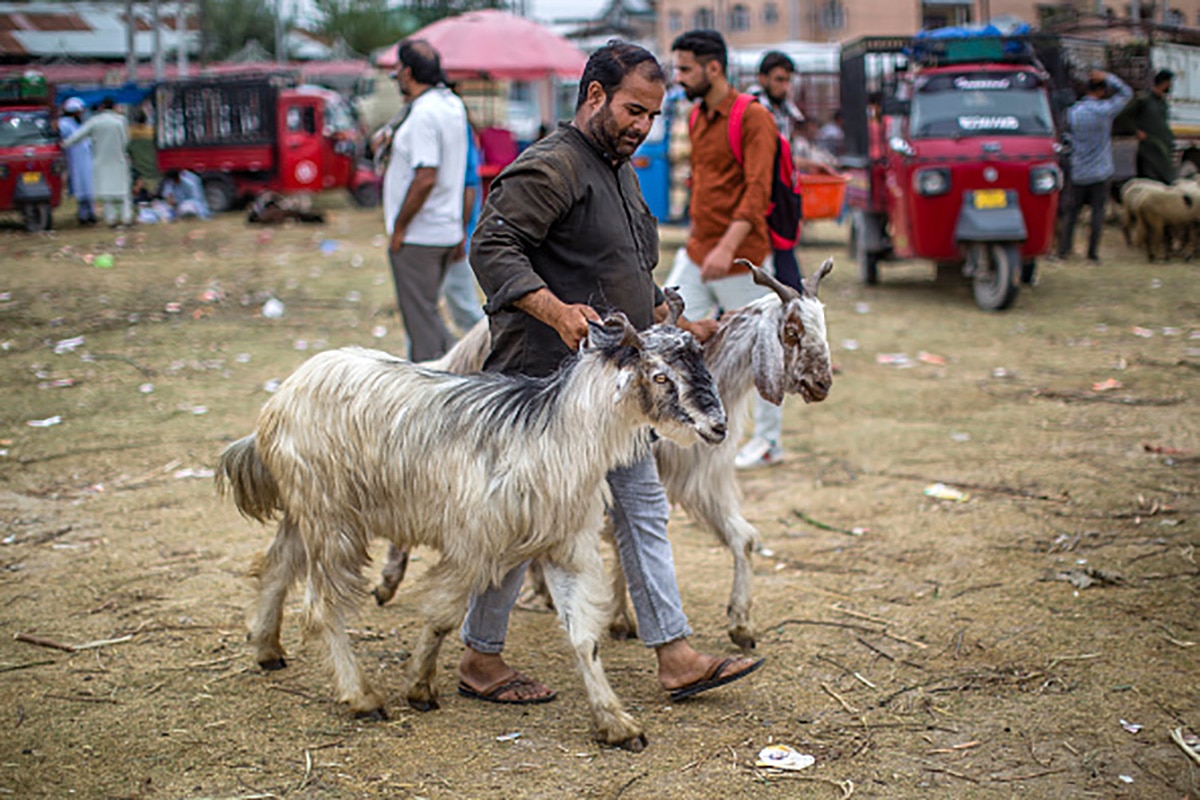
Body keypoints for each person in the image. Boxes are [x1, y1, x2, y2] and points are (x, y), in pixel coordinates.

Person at [460, 39, 764, 706]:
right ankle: (479, 660)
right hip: (546, 387)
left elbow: (625, 272)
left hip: (618, 392)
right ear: (594, 95)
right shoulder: (552, 165)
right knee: (525, 521)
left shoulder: (620, 170)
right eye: (633, 110)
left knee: (643, 508)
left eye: (653, 116)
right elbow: (490, 245)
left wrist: (672, 319)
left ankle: (675, 655)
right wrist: (552, 309)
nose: (642, 125)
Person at [669, 29, 788, 470]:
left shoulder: (754, 118)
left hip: (743, 258)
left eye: (684, 68)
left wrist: (727, 248)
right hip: (699, 250)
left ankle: (769, 442)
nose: (678, 77)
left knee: (764, 352)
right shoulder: (698, 117)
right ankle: (687, 426)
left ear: (712, 67)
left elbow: (758, 192)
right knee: (666, 329)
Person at [381, 39, 469, 362]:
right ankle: (459, 370)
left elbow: (426, 176)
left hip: (420, 234)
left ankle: (445, 385)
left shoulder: (424, 114)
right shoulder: (451, 105)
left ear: (406, 73)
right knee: (429, 316)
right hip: (446, 227)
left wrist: (400, 228)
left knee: (422, 328)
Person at [1057, 70, 1131, 264]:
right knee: (1097, 214)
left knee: (1072, 213)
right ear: (1101, 91)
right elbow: (1126, 93)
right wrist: (1108, 77)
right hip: (1100, 170)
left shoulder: (1073, 112)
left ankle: (1064, 251)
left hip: (1078, 170)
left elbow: (1065, 138)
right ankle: (1092, 254)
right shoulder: (1104, 111)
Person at [438, 119, 485, 333]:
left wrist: (461, 233)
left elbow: (469, 186)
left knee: (464, 309)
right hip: (446, 232)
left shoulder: (456, 127)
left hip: (456, 235)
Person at [61, 97, 132, 227]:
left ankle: (111, 219)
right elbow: (125, 140)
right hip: (119, 159)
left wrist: (64, 144)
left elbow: (78, 136)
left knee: (107, 191)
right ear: (114, 107)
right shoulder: (121, 121)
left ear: (101, 108)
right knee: (123, 191)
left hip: (101, 160)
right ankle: (126, 217)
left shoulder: (95, 121)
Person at [1129, 69, 1176, 185]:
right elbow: (1125, 116)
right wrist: (1136, 131)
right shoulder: (1143, 100)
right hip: (1149, 151)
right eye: (1170, 83)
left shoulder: (1162, 102)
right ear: (1165, 83)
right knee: (1150, 183)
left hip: (1163, 149)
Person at [57, 97, 96, 226]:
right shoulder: (64, 123)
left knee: (89, 186)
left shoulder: (78, 123)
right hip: (76, 160)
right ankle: (83, 214)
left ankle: (90, 213)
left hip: (86, 159)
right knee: (81, 186)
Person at [127, 107, 159, 203]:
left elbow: (128, 151)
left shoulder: (130, 133)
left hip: (138, 170)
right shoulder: (152, 132)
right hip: (153, 167)